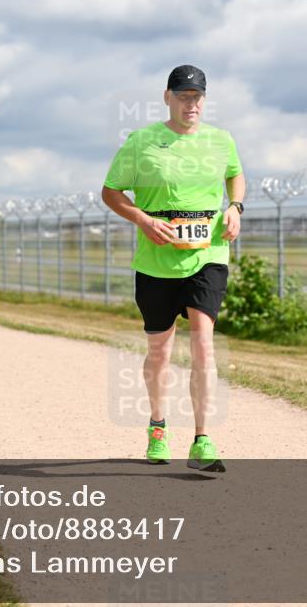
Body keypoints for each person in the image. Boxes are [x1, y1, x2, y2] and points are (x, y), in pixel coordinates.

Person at [101, 64, 245, 472]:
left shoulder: (221, 140)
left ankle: (202, 439)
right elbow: (110, 191)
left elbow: (236, 174)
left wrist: (235, 207)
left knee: (203, 343)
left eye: (197, 97)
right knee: (160, 351)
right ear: (168, 98)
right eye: (183, 96)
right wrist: (143, 220)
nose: (190, 104)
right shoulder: (141, 142)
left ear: (204, 99)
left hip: (208, 254)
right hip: (157, 260)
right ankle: (158, 427)